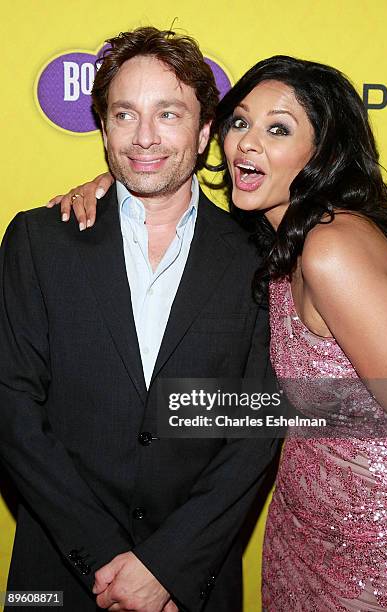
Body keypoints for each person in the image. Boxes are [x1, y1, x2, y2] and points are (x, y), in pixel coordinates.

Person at [59, 55, 387, 610]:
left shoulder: (332, 249)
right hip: (301, 528)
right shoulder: (276, 245)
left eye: (279, 129)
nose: (247, 143)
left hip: (372, 539)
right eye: (241, 122)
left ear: (323, 154)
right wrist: (121, 184)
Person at [0, 27, 279, 612]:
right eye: (125, 114)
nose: (145, 137)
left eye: (169, 114)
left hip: (192, 581)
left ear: (205, 133)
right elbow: (12, 408)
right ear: (103, 128)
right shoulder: (39, 241)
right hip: (55, 574)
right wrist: (101, 555)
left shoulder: (258, 258)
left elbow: (254, 433)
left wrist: (167, 566)